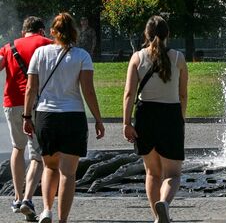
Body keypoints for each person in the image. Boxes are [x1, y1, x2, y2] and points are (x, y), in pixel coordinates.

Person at [23, 12, 105, 223]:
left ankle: (47, 210)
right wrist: (98, 118)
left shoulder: (40, 54)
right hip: (72, 115)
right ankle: (62, 220)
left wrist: (26, 116)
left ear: (52, 32)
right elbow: (88, 90)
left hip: (46, 116)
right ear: (74, 32)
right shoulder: (82, 56)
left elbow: (31, 88)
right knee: (68, 173)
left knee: (49, 167)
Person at [123, 16, 188, 223]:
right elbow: (183, 94)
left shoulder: (137, 57)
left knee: (152, 172)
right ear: (168, 34)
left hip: (145, 115)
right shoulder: (178, 58)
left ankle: (156, 217)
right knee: (173, 174)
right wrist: (181, 118)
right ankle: (165, 204)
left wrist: (126, 123)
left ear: (146, 34)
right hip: (170, 114)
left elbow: (129, 93)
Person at [0, 17, 51, 221]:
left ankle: (17, 196)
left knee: (17, 148)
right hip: (38, 103)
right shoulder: (48, 44)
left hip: (11, 102)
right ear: (42, 30)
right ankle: (27, 199)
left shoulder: (8, 46)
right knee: (37, 154)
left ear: (23, 32)